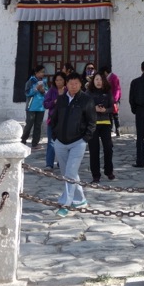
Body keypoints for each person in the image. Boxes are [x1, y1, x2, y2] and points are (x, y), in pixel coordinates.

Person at [50, 72, 96, 218]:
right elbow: (54, 118)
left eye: (76, 83)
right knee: (68, 173)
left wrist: (85, 139)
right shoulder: (61, 99)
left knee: (70, 172)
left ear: (81, 84)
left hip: (78, 142)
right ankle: (80, 200)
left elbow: (92, 121)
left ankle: (65, 204)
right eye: (71, 83)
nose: (73, 86)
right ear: (66, 84)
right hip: (60, 142)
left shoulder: (86, 100)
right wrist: (55, 136)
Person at [87, 71, 115, 182]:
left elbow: (112, 108)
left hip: (105, 123)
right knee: (94, 150)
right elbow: (84, 108)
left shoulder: (107, 92)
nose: (99, 82)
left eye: (100, 79)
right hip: (93, 124)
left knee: (108, 148)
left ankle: (109, 171)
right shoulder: (88, 93)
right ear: (93, 81)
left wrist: (105, 110)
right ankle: (96, 175)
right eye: (96, 79)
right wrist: (93, 108)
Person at [43, 70, 67, 169]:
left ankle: (61, 163)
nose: (59, 82)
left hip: (65, 120)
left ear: (64, 80)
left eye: (61, 80)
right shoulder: (51, 91)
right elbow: (45, 104)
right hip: (53, 120)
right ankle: (49, 164)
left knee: (64, 142)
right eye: (57, 80)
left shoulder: (68, 90)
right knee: (51, 142)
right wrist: (54, 102)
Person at [21, 66, 47, 148]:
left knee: (38, 126)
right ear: (36, 73)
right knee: (29, 124)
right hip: (31, 107)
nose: (43, 73)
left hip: (41, 107)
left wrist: (43, 91)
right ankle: (23, 141)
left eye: (43, 72)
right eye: (41, 72)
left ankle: (35, 143)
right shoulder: (30, 81)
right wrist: (36, 89)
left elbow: (47, 93)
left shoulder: (44, 82)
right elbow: (27, 93)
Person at [102, 66, 122, 137]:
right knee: (110, 115)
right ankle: (111, 130)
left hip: (114, 100)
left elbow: (117, 89)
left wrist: (115, 100)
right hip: (109, 99)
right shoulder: (108, 78)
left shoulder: (114, 77)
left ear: (105, 72)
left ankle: (117, 129)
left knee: (115, 115)